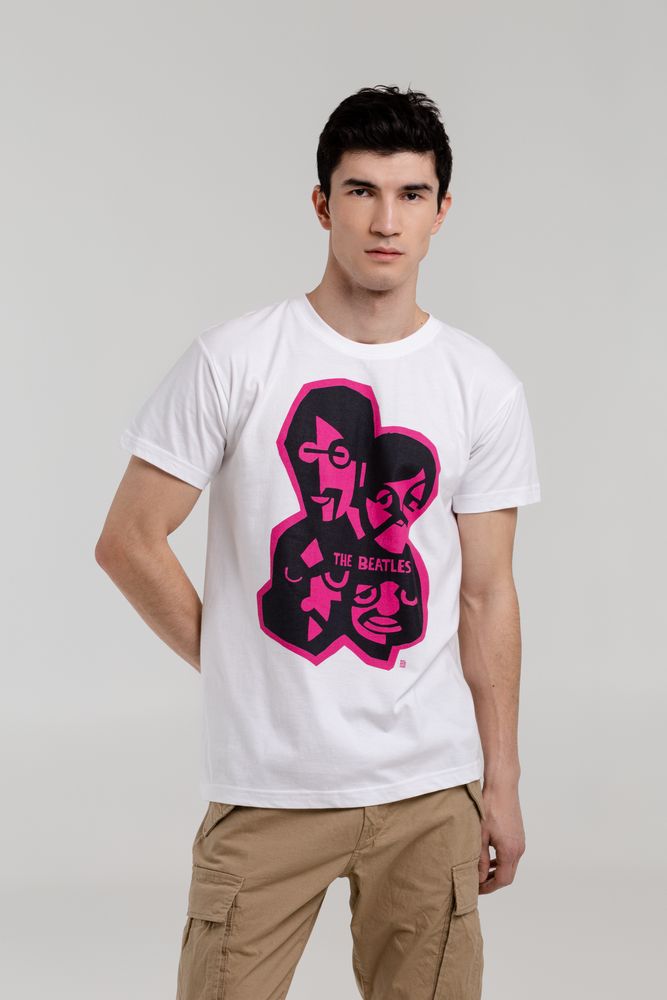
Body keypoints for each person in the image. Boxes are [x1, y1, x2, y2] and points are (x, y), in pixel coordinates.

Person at [95, 84, 541, 1000]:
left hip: (429, 788)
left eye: (410, 194)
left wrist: (500, 782)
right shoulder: (236, 359)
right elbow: (130, 539)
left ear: (440, 212)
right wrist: (234, 657)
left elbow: (486, 595)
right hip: (271, 788)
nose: (385, 220)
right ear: (321, 203)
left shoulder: (480, 385)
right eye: (360, 190)